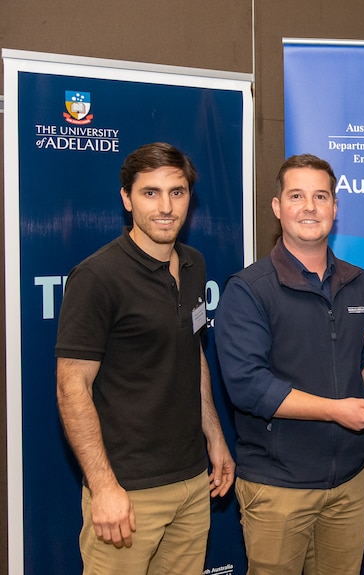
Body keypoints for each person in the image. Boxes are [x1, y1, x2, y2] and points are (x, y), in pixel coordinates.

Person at [55, 142, 235, 575]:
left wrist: (213, 433)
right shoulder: (97, 277)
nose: (166, 207)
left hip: (193, 484)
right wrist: (103, 487)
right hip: (128, 491)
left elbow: (192, 351)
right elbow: (71, 385)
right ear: (126, 198)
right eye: (150, 193)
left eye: (177, 192)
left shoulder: (193, 264)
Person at [214, 154, 364, 575]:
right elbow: (247, 386)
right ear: (277, 207)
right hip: (278, 488)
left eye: (320, 196)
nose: (310, 207)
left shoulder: (362, 283)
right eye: (296, 196)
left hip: (349, 484)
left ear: (335, 207)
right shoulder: (249, 290)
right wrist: (336, 410)